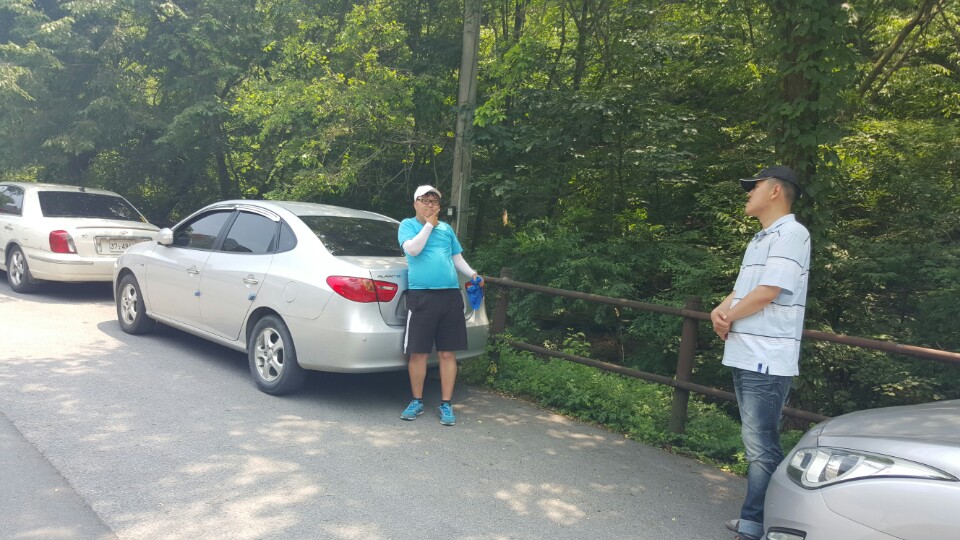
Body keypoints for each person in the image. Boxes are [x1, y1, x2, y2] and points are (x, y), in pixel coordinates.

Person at [710, 165, 811, 540]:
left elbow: (769, 291)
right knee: (757, 444)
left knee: (762, 446)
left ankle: (760, 524)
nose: (748, 193)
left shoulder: (792, 234)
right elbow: (744, 289)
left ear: (775, 191)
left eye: (754, 187)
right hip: (746, 352)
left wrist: (729, 316)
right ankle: (760, 521)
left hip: (766, 357)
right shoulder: (761, 238)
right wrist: (719, 312)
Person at [397, 185, 482, 426]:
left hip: (450, 296)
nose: (430, 205)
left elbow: (456, 257)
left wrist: (473, 273)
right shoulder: (407, 225)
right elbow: (413, 250)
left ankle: (446, 403)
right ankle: (416, 400)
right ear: (415, 203)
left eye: (434, 201)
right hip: (421, 296)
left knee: (447, 352)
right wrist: (428, 225)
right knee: (418, 352)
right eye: (425, 200)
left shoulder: (446, 229)